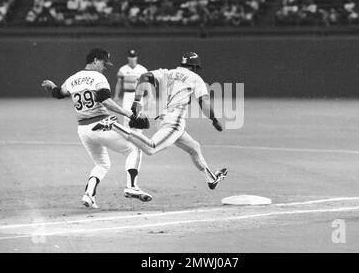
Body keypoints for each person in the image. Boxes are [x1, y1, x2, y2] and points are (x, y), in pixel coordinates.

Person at [93, 52, 228, 190]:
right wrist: (214, 120)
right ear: (194, 67)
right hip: (175, 122)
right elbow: (204, 102)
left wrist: (137, 100)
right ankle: (114, 125)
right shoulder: (195, 78)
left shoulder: (167, 73)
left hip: (163, 120)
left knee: (194, 148)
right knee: (151, 148)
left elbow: (143, 77)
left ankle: (211, 179)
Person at [41, 48, 152, 209]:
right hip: (102, 124)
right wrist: (128, 113)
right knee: (135, 148)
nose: (104, 66)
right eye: (103, 62)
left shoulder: (73, 78)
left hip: (84, 131)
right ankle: (131, 187)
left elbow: (59, 93)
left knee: (102, 164)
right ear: (94, 60)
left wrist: (52, 87)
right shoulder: (98, 77)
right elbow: (106, 101)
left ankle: (89, 195)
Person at [114, 49, 148, 125]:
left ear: (136, 58)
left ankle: (138, 133)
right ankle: (127, 133)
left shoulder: (142, 70)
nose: (132, 59)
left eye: (134, 57)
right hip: (127, 94)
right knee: (126, 114)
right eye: (131, 57)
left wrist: (150, 95)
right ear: (128, 58)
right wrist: (116, 95)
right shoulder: (123, 69)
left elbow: (147, 84)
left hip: (138, 95)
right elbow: (119, 83)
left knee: (138, 114)